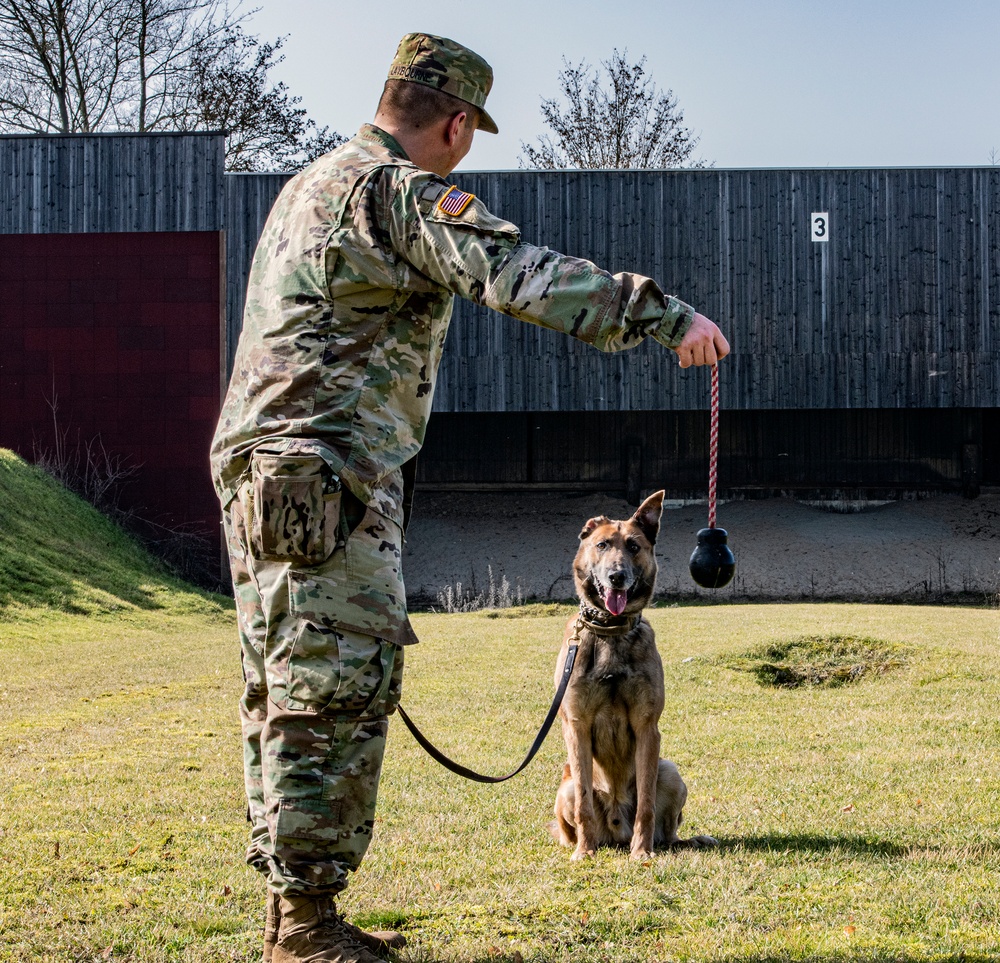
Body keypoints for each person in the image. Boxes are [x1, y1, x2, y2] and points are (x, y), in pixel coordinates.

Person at [210, 31, 730, 963]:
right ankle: (305, 930)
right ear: (455, 123)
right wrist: (664, 315)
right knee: (331, 692)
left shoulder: (308, 188)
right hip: (328, 477)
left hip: (263, 473)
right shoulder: (400, 192)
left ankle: (297, 915)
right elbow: (514, 272)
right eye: (469, 133)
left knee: (282, 689)